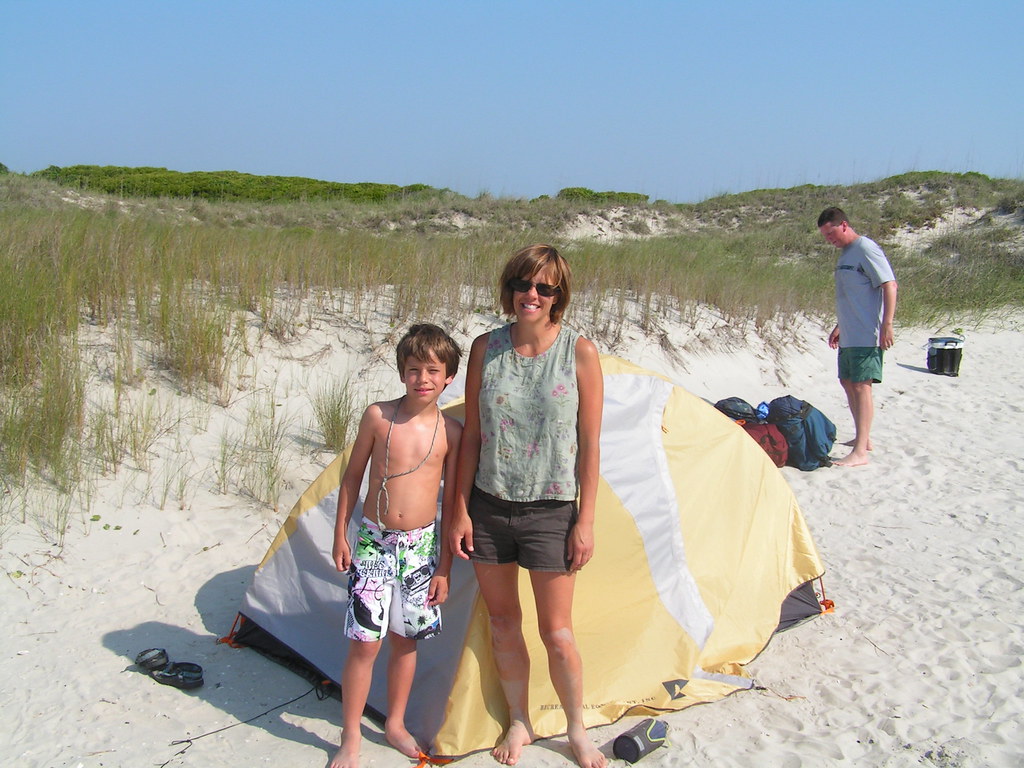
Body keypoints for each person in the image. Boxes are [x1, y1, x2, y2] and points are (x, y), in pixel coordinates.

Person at [450, 244, 606, 768]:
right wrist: (460, 510)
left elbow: (589, 444)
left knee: (556, 633)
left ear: (559, 295)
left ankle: (577, 728)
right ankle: (520, 719)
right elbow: (471, 435)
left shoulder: (579, 352)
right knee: (502, 622)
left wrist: (584, 519)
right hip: (489, 505)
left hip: (552, 509)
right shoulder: (484, 348)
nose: (531, 295)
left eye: (544, 287)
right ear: (509, 288)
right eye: (523, 284)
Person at [330, 324, 462, 768]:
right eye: (412, 369)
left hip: (421, 549)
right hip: (372, 542)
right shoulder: (378, 417)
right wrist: (341, 535)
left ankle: (395, 723)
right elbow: (351, 479)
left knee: (406, 642)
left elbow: (452, 504)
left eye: (432, 370)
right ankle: (351, 736)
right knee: (365, 643)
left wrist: (443, 567)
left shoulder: (453, 432)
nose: (421, 378)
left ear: (448, 378)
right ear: (401, 372)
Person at [817, 207, 898, 467]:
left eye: (831, 233)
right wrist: (840, 325)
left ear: (843, 225)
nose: (830, 239)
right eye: (825, 236)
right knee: (847, 381)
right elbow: (852, 294)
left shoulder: (865, 248)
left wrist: (887, 324)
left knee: (862, 386)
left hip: (866, 333)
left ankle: (861, 451)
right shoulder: (845, 255)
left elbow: (890, 284)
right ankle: (863, 438)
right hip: (850, 332)